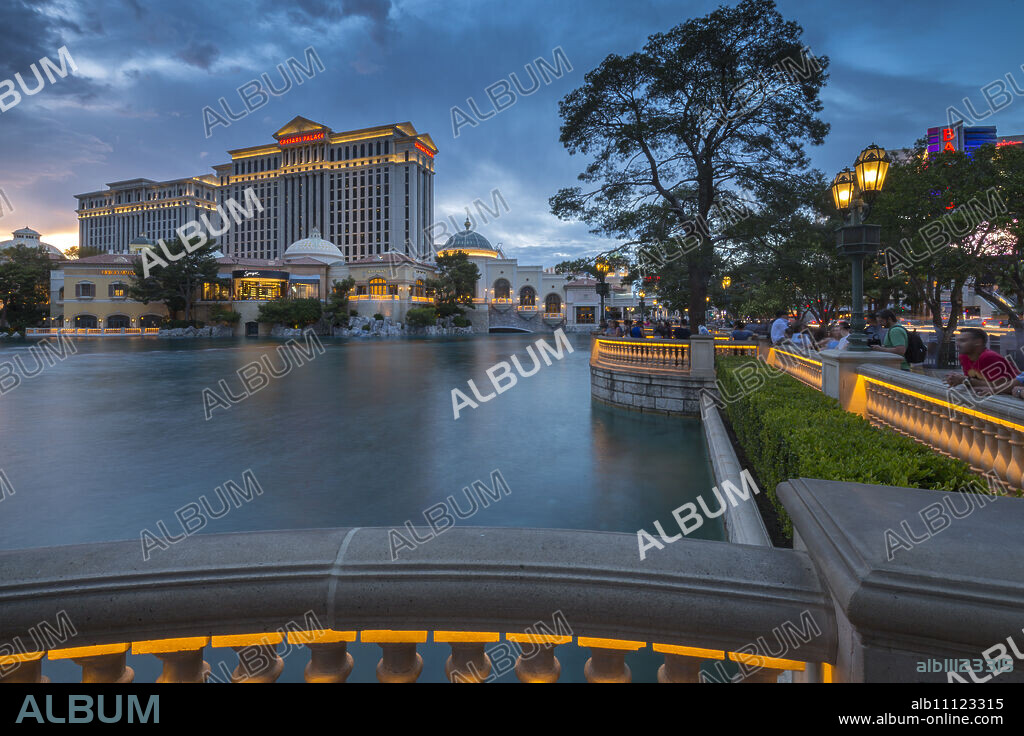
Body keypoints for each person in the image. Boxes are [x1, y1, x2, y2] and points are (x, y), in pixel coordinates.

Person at [943, 328, 1017, 394]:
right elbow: (973, 381)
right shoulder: (964, 357)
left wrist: (964, 380)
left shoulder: (988, 357)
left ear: (978, 342)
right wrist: (957, 379)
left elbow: (1000, 385)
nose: (957, 344)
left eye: (963, 341)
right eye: (957, 341)